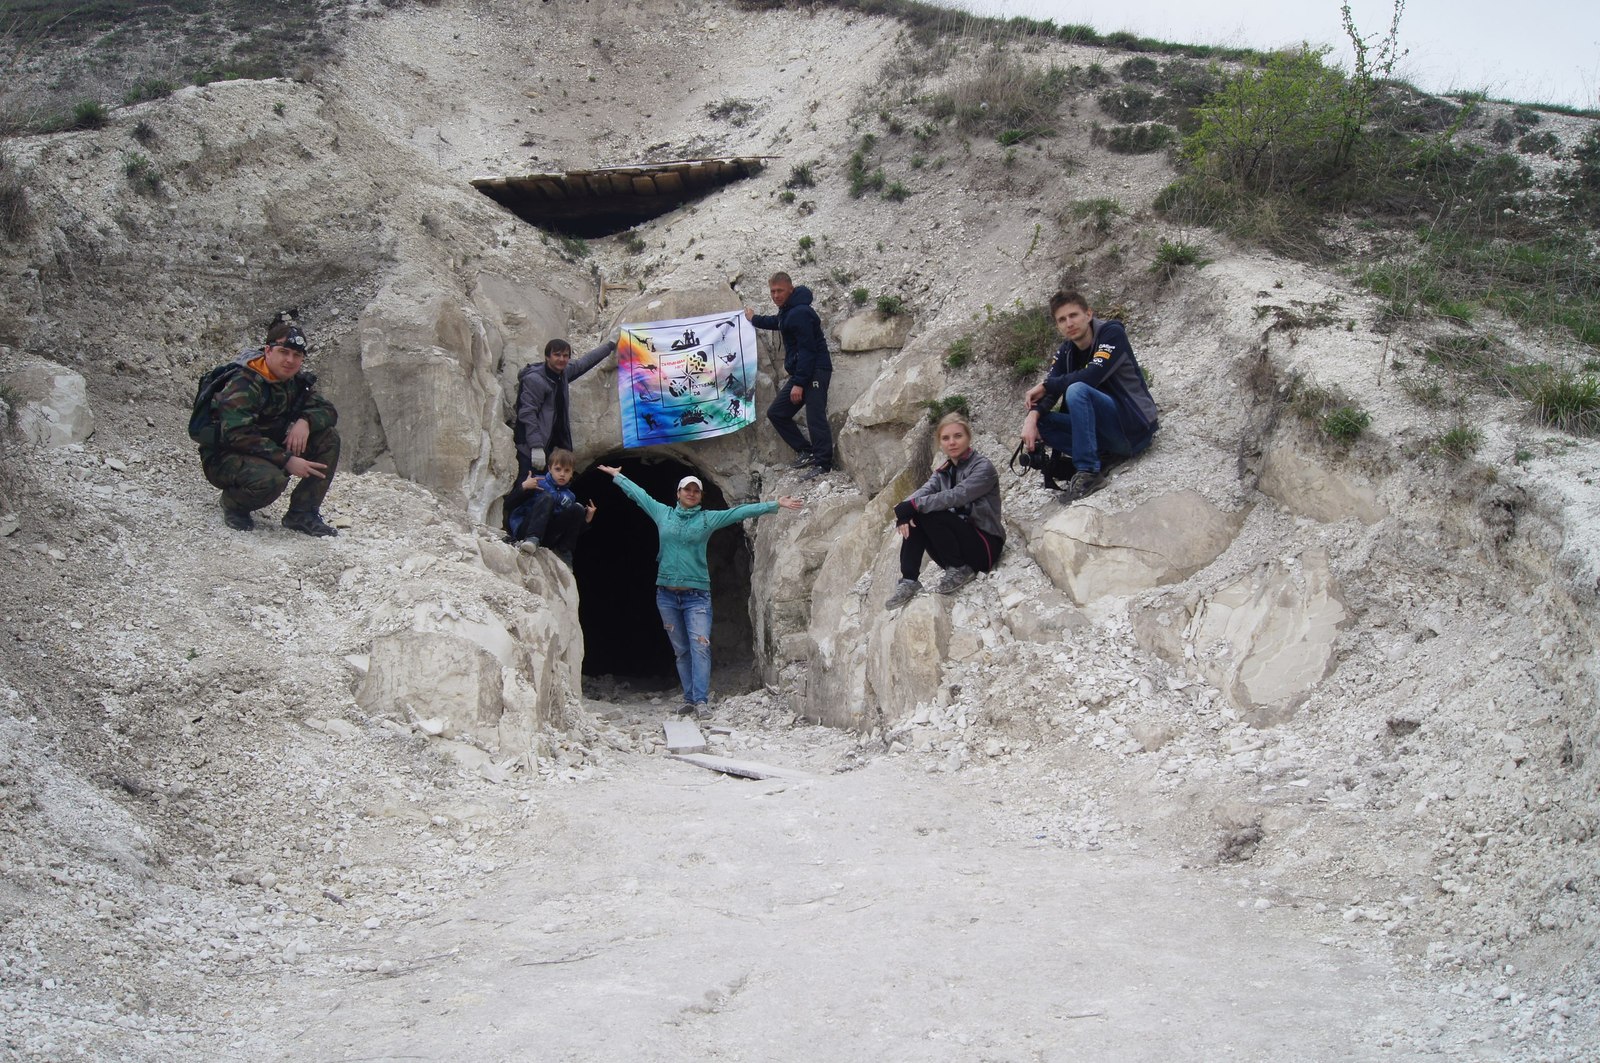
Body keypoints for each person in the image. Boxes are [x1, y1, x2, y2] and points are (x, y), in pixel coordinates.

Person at [598, 466, 802, 718]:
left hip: (696, 597)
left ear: (700, 496)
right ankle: (689, 698)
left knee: (700, 647)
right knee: (682, 650)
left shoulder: (706, 519)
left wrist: (774, 505)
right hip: (666, 596)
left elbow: (738, 512)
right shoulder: (663, 514)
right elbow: (640, 496)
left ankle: (701, 701)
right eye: (687, 489)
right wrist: (619, 476)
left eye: (696, 490)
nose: (692, 493)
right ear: (678, 493)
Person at [200, 317, 340, 537]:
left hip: (263, 452)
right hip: (225, 458)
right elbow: (237, 435)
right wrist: (287, 459)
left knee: (328, 438)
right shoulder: (243, 383)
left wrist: (305, 422)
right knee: (271, 480)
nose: (290, 360)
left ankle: (302, 513)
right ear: (268, 351)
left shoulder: (294, 384)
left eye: (297, 355)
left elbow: (328, 410)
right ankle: (234, 503)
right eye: (284, 352)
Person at [1019, 290, 1158, 503]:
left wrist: (1047, 385)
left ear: (1088, 314)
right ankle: (1100, 455)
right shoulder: (1066, 351)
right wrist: (1033, 417)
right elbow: (1052, 389)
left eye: (1073, 315)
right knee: (1043, 422)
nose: (1069, 323)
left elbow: (1092, 375)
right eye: (1062, 320)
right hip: (1108, 438)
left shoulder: (1111, 333)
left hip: (1133, 429)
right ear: (1058, 326)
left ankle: (1088, 471)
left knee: (1078, 390)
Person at [884, 412, 1005, 610]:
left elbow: (958, 495)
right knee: (918, 512)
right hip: (956, 551)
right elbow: (923, 492)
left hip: (985, 547)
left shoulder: (983, 468)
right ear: (940, 443)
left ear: (968, 438)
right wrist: (903, 512)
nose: (952, 442)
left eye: (958, 436)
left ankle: (959, 569)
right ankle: (909, 580)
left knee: (927, 510)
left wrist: (913, 507)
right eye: (945, 438)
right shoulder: (943, 471)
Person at [746, 272, 834, 479]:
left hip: (815, 371)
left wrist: (799, 384)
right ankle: (807, 451)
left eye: (780, 291)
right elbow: (777, 322)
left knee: (815, 416)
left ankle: (823, 464)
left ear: (790, 290)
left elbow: (807, 350)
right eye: (773, 291)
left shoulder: (800, 312)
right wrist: (754, 319)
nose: (776, 295)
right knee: (777, 413)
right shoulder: (789, 311)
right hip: (803, 373)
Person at [514, 335, 618, 483]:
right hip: (532, 448)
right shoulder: (535, 380)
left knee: (554, 492)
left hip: (554, 447)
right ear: (547, 356)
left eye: (565, 356)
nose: (562, 359)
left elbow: (584, 362)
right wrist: (536, 447)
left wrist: (610, 345)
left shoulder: (562, 374)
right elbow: (527, 414)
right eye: (557, 355)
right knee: (528, 491)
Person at [506, 448, 595, 566]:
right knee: (548, 498)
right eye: (558, 469)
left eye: (567, 470)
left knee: (577, 508)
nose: (562, 474)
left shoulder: (569, 496)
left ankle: (564, 551)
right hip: (526, 531)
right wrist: (524, 487)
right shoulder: (537, 482)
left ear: (572, 473)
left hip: (547, 535)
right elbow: (508, 505)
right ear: (549, 469)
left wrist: (586, 520)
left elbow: (568, 527)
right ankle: (532, 539)